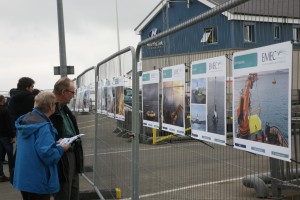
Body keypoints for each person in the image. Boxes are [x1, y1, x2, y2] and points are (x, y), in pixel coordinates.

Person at [13, 92, 70, 200]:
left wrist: (53, 143)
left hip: (24, 177)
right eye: (55, 104)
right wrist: (61, 148)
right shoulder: (44, 126)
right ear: (50, 106)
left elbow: (32, 145)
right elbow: (48, 155)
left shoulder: (25, 120)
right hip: (38, 179)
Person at [50, 77, 83, 200]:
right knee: (64, 190)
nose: (73, 96)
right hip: (62, 155)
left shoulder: (63, 108)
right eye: (72, 92)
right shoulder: (50, 108)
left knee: (73, 188)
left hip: (71, 151)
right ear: (63, 92)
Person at [0, 95, 15, 182]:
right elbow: (8, 125)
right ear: (2, 100)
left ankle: (1, 175)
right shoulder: (5, 110)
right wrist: (12, 136)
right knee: (10, 156)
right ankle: (12, 174)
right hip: (5, 136)